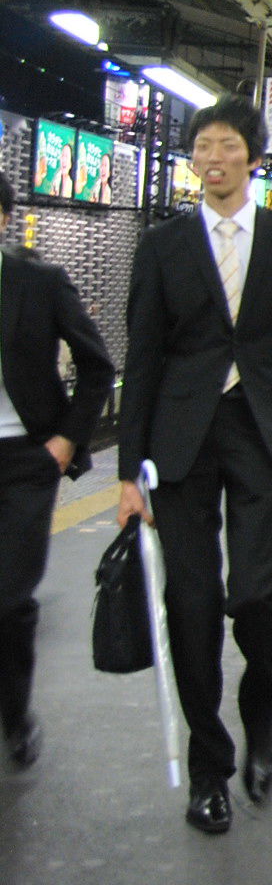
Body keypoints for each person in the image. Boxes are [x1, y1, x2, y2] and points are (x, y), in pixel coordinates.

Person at [118, 96, 272, 833]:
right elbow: (144, 357)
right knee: (189, 608)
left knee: (256, 597)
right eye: (201, 148)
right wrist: (129, 473)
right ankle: (208, 769)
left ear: (254, 159)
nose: (211, 158)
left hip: (261, 432)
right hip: (180, 442)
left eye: (225, 146)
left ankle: (262, 719)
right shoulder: (162, 247)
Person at [0, 170, 115, 772]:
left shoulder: (39, 282)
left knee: (11, 596)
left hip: (25, 459)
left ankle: (15, 715)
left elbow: (97, 365)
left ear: (2, 219)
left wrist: (67, 441)